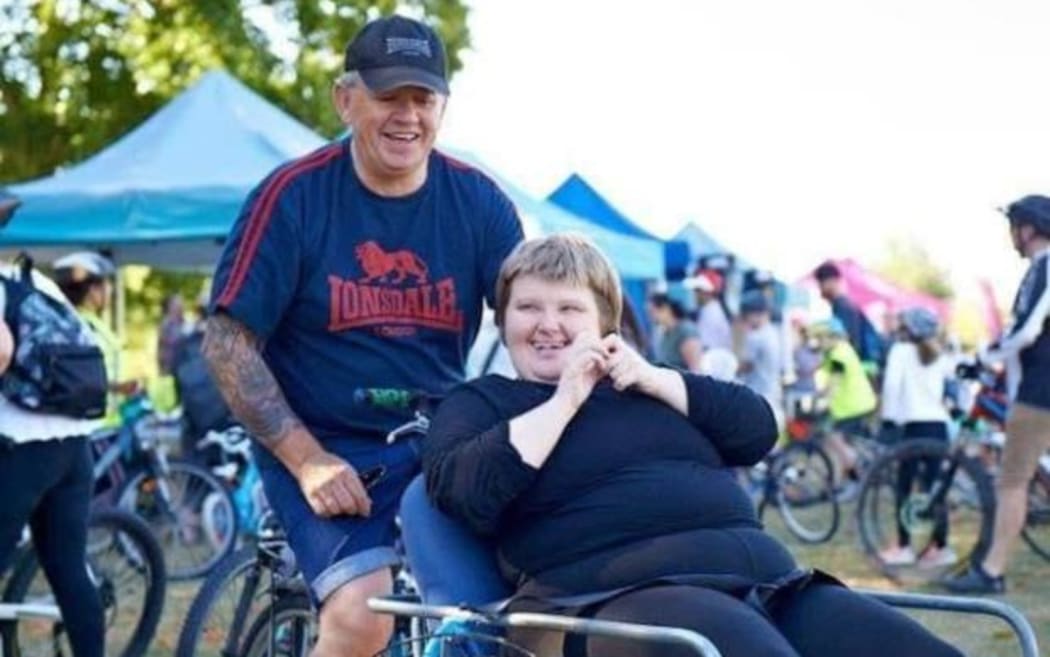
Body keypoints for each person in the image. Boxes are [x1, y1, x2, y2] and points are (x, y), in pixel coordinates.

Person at [423, 234, 962, 657]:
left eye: (569, 310)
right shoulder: (484, 402)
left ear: (604, 323)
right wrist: (564, 400)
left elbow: (757, 429)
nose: (547, 325)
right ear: (503, 317)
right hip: (604, 602)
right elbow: (465, 492)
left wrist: (657, 378)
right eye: (528, 308)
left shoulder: (649, 387)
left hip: (768, 586)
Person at [201, 14, 523, 657]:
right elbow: (227, 340)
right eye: (388, 97)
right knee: (364, 613)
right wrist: (305, 457)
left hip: (437, 437)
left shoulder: (479, 202)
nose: (407, 116)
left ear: (443, 108)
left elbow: (535, 312)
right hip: (319, 438)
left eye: (422, 99)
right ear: (346, 100)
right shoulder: (293, 196)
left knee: (523, 596)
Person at [0, 260, 105, 657]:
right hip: (73, 445)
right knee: (69, 570)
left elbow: (2, 350)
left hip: (21, 445)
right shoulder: (33, 279)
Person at [946, 195, 1050, 594]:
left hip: (1041, 392)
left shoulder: (1045, 267)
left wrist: (985, 356)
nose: (1011, 235)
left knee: (1012, 481)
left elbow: (1026, 331)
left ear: (1029, 228)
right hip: (1035, 386)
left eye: (1015, 226)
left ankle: (991, 572)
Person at [878, 307, 957, 568]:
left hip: (912, 427)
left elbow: (891, 387)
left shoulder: (900, 352)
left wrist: (888, 418)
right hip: (938, 426)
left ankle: (905, 546)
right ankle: (941, 546)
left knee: (904, 487)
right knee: (935, 488)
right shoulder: (940, 353)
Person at [52, 251, 140, 421]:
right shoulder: (77, 326)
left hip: (104, 419)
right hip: (87, 422)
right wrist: (118, 387)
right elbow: (77, 378)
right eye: (106, 284)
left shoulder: (86, 322)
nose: (110, 290)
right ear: (93, 290)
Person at [808, 317, 878, 499]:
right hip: (857, 404)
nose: (819, 342)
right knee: (844, 442)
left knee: (836, 441)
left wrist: (818, 400)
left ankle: (855, 482)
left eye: (821, 338)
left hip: (851, 407)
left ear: (832, 337)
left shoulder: (838, 355)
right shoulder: (841, 350)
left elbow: (833, 384)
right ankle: (845, 479)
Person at [813, 260, 885, 373]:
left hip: (859, 368)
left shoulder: (842, 305)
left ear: (832, 281)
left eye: (821, 283)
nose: (820, 289)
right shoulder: (844, 304)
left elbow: (847, 341)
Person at [737, 290, 784, 428]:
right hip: (772, 392)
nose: (745, 319)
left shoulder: (756, 337)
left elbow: (745, 366)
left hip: (758, 394)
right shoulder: (772, 332)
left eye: (746, 315)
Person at [646, 293, 702, 371]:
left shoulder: (686, 331)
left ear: (665, 309)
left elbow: (695, 369)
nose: (650, 317)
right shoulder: (664, 333)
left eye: (652, 312)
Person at [685, 267, 733, 352]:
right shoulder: (709, 309)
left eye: (697, 290)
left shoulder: (712, 315)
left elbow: (705, 348)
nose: (694, 294)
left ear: (707, 292)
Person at [157, 293, 186, 376]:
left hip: (183, 367)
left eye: (182, 303)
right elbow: (171, 341)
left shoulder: (182, 322)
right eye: (178, 303)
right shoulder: (166, 324)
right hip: (170, 367)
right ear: (170, 306)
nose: (182, 306)